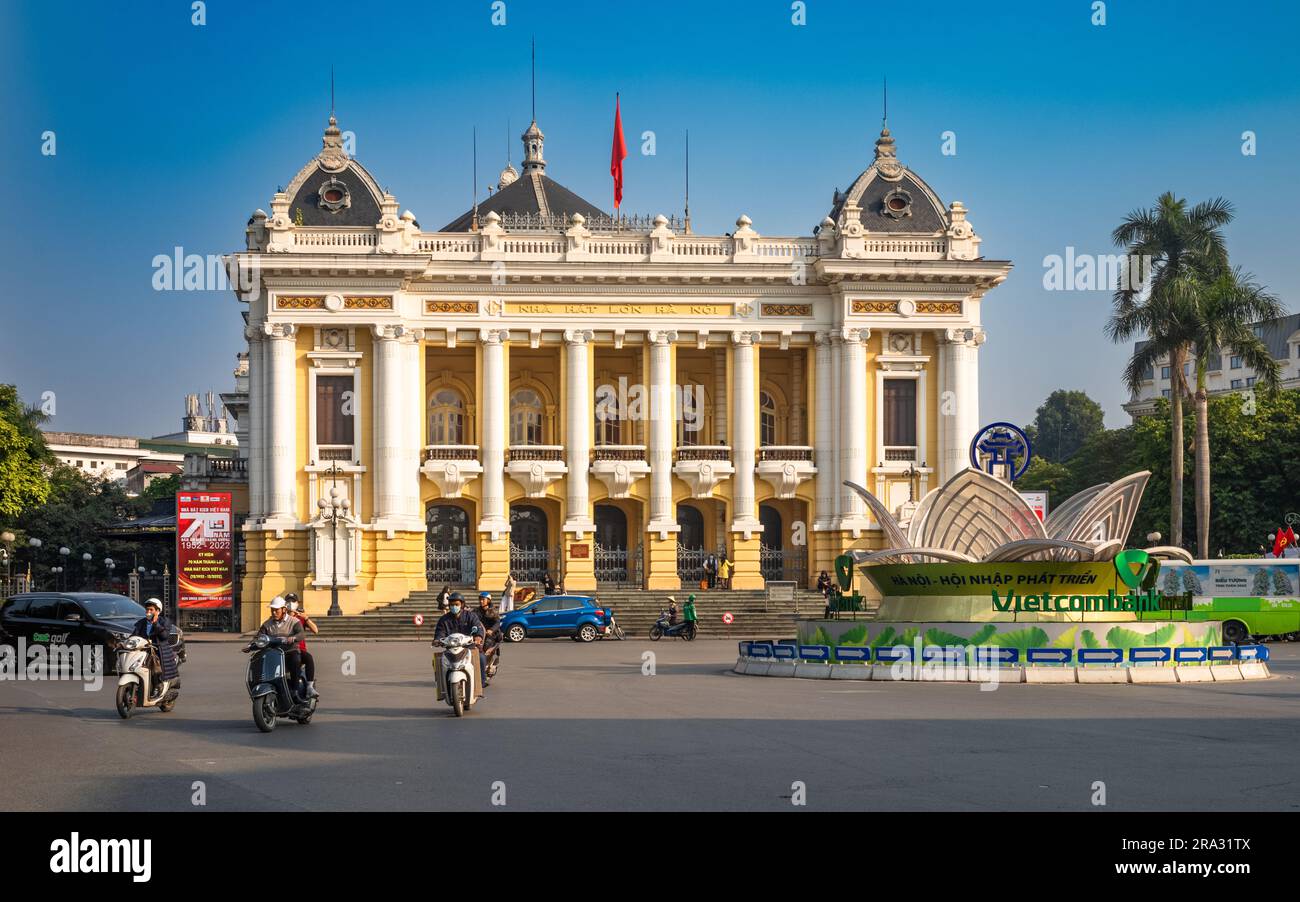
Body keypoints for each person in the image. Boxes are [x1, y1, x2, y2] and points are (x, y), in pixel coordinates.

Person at [433, 592, 486, 689]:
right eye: (452, 605)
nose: (454, 607)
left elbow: (477, 626)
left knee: (481, 658)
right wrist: (437, 640)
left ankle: (481, 685)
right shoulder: (444, 619)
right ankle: (442, 687)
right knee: (438, 661)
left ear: (462, 605)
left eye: (456, 604)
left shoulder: (471, 616)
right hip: (451, 649)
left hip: (468, 647)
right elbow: (440, 632)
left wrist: (478, 636)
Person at [257, 596, 307, 696]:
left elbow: (301, 634)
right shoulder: (267, 624)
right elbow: (259, 636)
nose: (274, 613)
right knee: (259, 660)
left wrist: (293, 638)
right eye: (272, 610)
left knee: (295, 660)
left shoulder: (294, 621)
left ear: (284, 610)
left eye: (276, 610)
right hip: (273, 653)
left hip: (289, 651)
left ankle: (295, 690)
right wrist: (252, 644)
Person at [130, 598, 179, 698]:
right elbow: (134, 635)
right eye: (147, 610)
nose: (148, 612)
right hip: (144, 651)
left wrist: (155, 623)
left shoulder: (164, 621)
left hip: (158, 651)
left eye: (151, 610)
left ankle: (159, 687)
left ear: (158, 611)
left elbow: (164, 636)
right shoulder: (142, 623)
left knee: (156, 672)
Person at [285, 593, 319, 698]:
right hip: (284, 650)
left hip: (299, 649)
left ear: (297, 603)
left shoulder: (301, 617)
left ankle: (309, 687)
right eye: (288, 601)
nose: (291, 604)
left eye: (293, 601)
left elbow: (315, 630)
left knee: (308, 658)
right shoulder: (282, 616)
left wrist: (306, 618)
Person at [476, 592, 502, 684]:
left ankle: (488, 665)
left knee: (486, 645)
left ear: (488, 600)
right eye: (480, 599)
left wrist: (491, 630)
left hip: (492, 635)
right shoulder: (477, 611)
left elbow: (497, 622)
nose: (481, 601)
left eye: (483, 599)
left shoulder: (492, 611)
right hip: (480, 634)